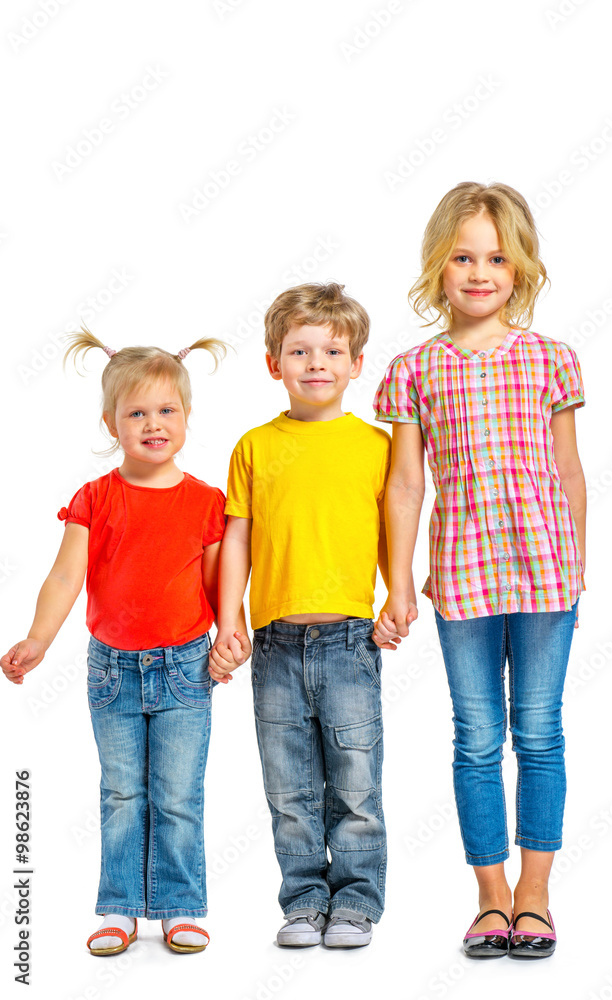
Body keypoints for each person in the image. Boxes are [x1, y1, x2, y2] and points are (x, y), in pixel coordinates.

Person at [373, 182, 586, 960]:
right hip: (460, 577)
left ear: (520, 267)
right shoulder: (413, 370)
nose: (478, 271)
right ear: (438, 265)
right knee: (474, 738)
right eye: (462, 256)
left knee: (538, 733)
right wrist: (398, 581)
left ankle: (535, 892)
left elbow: (567, 472)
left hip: (544, 575)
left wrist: (577, 559)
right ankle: (489, 896)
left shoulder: (550, 360)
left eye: (495, 257)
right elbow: (404, 485)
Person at [1, 329, 241, 956]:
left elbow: (219, 584)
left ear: (187, 417)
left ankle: (180, 906)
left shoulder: (206, 501)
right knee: (122, 791)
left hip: (187, 666)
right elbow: (65, 577)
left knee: (179, 793)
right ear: (110, 420)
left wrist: (230, 638)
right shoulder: (96, 497)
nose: (153, 424)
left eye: (167, 411)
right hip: (112, 669)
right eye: (136, 412)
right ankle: (119, 909)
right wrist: (37, 639)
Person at [209, 283, 395, 948]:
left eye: (331, 350)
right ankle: (303, 901)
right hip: (275, 642)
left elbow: (393, 529)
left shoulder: (376, 445)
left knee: (354, 780)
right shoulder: (255, 447)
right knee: (289, 787)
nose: (315, 362)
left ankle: (356, 903)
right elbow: (235, 535)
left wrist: (397, 593)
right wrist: (226, 614)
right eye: (299, 350)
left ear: (355, 364)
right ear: (273, 363)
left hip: (349, 638)